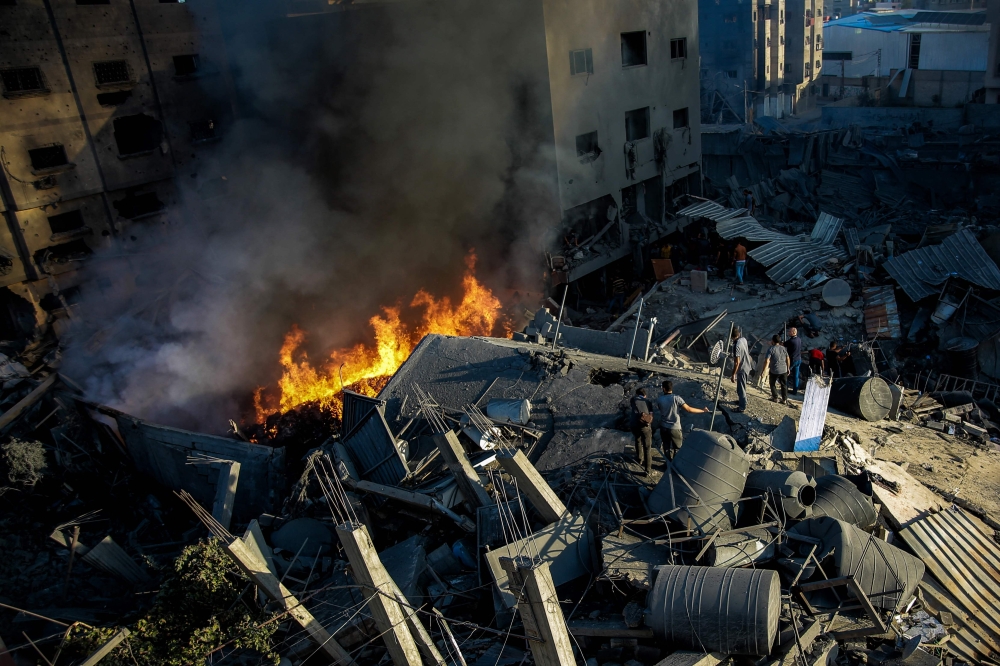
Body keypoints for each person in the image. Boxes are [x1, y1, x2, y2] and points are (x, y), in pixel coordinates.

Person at [656, 380, 709, 460]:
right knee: (677, 448)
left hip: (663, 426)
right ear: (671, 388)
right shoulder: (676, 398)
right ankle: (675, 465)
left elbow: (660, 409)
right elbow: (689, 409)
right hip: (674, 427)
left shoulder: (660, 399)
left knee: (666, 447)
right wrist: (703, 410)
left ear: (663, 388)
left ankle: (667, 464)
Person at [629, 388, 654, 475]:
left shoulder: (633, 399)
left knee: (638, 440)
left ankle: (639, 459)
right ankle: (647, 469)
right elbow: (651, 415)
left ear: (636, 394)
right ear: (645, 395)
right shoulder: (649, 402)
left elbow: (633, 405)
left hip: (634, 425)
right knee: (647, 447)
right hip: (645, 426)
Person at [730, 327, 754, 413]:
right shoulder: (743, 339)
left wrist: (733, 374)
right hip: (747, 365)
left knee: (741, 388)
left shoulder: (737, 345)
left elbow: (737, 362)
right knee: (742, 387)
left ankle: (742, 407)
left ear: (731, 336)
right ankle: (742, 401)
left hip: (742, 368)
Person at [767, 335, 791, 405]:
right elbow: (788, 359)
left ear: (773, 341)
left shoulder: (771, 349)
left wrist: (764, 370)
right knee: (784, 385)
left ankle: (775, 397)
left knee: (772, 383)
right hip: (784, 369)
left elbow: (767, 360)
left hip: (774, 370)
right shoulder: (783, 348)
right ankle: (784, 400)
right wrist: (788, 368)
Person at [784, 327, 803, 394]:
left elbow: (783, 344)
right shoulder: (799, 339)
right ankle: (795, 391)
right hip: (798, 359)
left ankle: (784, 389)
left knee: (785, 373)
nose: (788, 332)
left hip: (792, 360)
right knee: (796, 376)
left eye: (790, 332)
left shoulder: (791, 341)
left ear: (793, 333)